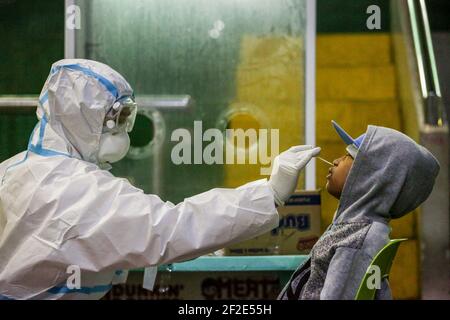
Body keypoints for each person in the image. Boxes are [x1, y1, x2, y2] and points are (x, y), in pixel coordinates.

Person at [0, 59, 320, 300]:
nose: (124, 129)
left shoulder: (14, 170)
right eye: (115, 118)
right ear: (78, 116)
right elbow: (171, 229)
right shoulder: (76, 189)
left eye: (128, 116)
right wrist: (271, 192)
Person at [278, 120, 440, 300]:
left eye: (348, 156)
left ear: (371, 177)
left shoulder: (357, 239)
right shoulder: (352, 228)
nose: (336, 160)